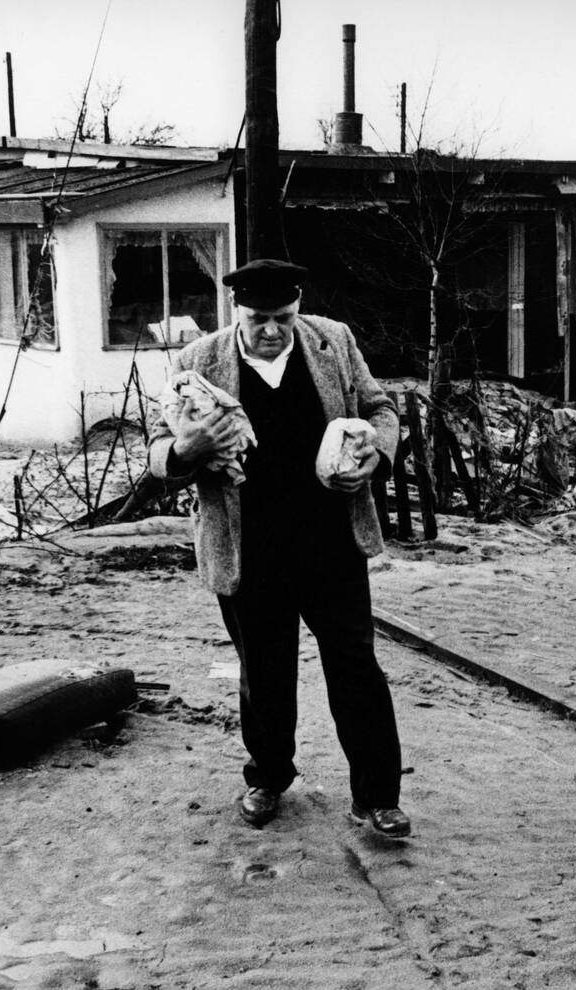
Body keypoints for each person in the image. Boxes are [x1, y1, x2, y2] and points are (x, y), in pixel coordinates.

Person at [147, 258, 411, 839]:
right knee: (263, 671)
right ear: (236, 312)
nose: (272, 330)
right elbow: (156, 448)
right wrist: (187, 448)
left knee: (355, 667)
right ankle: (268, 776)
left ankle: (378, 797)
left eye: (283, 317)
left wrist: (377, 455)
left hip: (330, 541)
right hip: (249, 544)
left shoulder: (332, 341)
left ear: (298, 307)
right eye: (259, 318)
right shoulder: (197, 362)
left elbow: (380, 408)